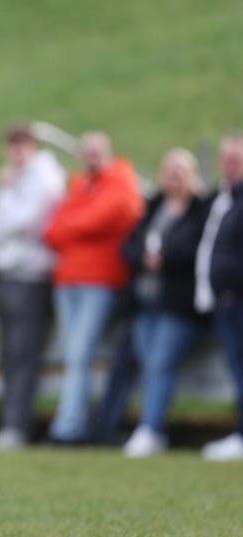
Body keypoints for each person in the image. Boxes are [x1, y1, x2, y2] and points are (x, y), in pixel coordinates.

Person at [43, 132, 143, 443]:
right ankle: (72, 423)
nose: (91, 157)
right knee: (75, 355)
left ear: (109, 152)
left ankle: (68, 427)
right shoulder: (79, 185)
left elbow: (100, 218)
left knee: (79, 354)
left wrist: (75, 223)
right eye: (86, 151)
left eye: (97, 151)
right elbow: (52, 232)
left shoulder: (121, 180)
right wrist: (78, 223)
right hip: (67, 281)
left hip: (99, 282)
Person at [0, 125, 66, 450]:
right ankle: (10, 424)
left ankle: (18, 426)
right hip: (7, 274)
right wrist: (8, 225)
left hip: (32, 276)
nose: (15, 153)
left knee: (23, 353)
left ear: (32, 147)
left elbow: (28, 222)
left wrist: (9, 218)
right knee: (9, 354)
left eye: (21, 146)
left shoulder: (45, 177)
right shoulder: (11, 180)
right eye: (11, 146)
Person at [121, 149, 208, 457]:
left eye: (180, 171)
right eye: (169, 170)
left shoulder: (201, 211)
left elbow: (199, 249)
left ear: (192, 175)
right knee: (151, 365)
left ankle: (150, 428)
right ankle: (151, 428)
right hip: (147, 302)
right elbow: (128, 245)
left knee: (159, 362)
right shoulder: (153, 207)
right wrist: (142, 259)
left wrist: (165, 259)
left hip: (180, 305)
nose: (174, 176)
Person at [196, 133, 243, 461]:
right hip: (224, 299)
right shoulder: (223, 197)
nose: (228, 166)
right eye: (224, 159)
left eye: (235, 160)